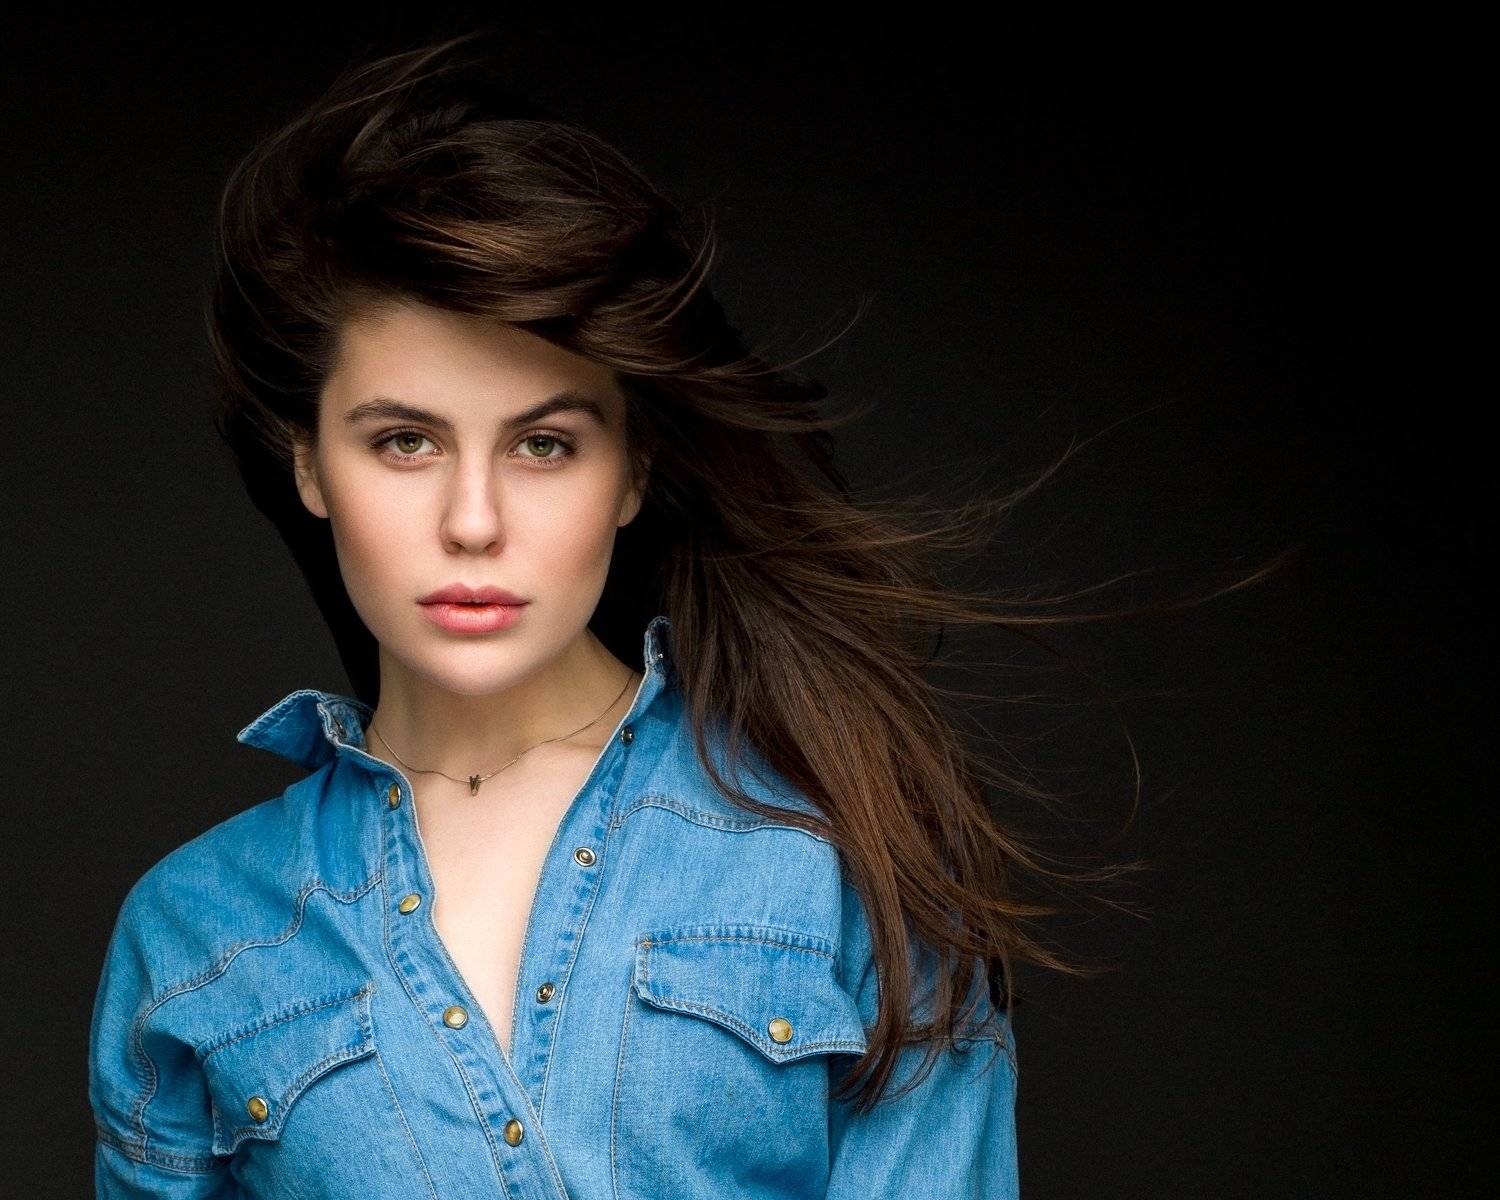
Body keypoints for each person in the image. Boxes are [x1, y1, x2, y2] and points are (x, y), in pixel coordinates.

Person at [87, 29, 1254, 1200]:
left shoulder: (842, 854)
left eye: (545, 445)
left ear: (633, 471)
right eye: (405, 441)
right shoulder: (197, 937)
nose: (473, 521)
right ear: (309, 464)